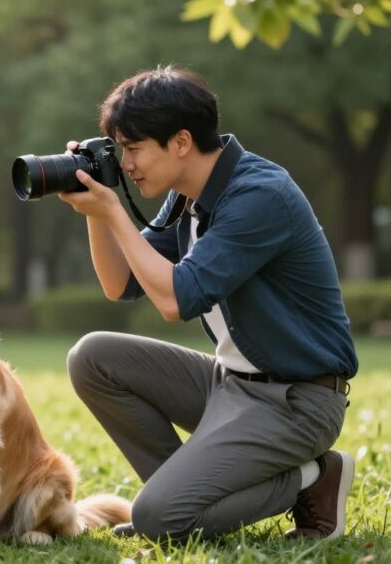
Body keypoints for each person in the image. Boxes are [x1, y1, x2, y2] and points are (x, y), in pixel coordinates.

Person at [61, 65, 357, 541]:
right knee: (93, 358)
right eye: (121, 150)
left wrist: (114, 212)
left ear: (180, 142)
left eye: (134, 149)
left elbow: (177, 299)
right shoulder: (186, 195)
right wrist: (95, 211)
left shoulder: (259, 194)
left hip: (296, 401)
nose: (127, 164)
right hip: (230, 387)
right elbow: (120, 285)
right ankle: (186, 494)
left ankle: (313, 477)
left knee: (157, 518)